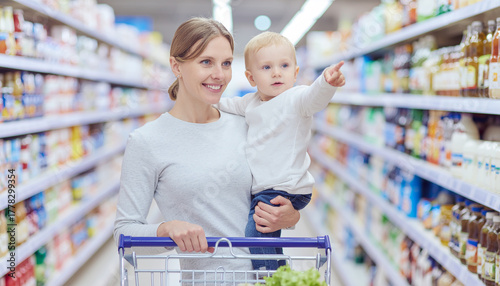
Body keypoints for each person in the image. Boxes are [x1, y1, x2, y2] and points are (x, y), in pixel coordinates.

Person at [113, 18, 300, 283]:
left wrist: (290, 216)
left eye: (225, 63)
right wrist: (166, 230)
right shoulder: (147, 141)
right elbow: (123, 232)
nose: (220, 74)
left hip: (268, 277)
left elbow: (275, 189)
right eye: (206, 62)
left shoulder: (248, 124)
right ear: (176, 66)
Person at [216, 31, 345, 271]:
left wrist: (326, 83)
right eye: (266, 67)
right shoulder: (251, 102)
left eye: (284, 65)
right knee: (268, 241)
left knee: (255, 234)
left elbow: (314, 98)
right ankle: (281, 273)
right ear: (251, 77)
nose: (276, 72)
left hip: (285, 186)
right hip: (268, 188)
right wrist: (203, 99)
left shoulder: (295, 99)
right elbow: (226, 104)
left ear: (295, 73)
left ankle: (267, 278)